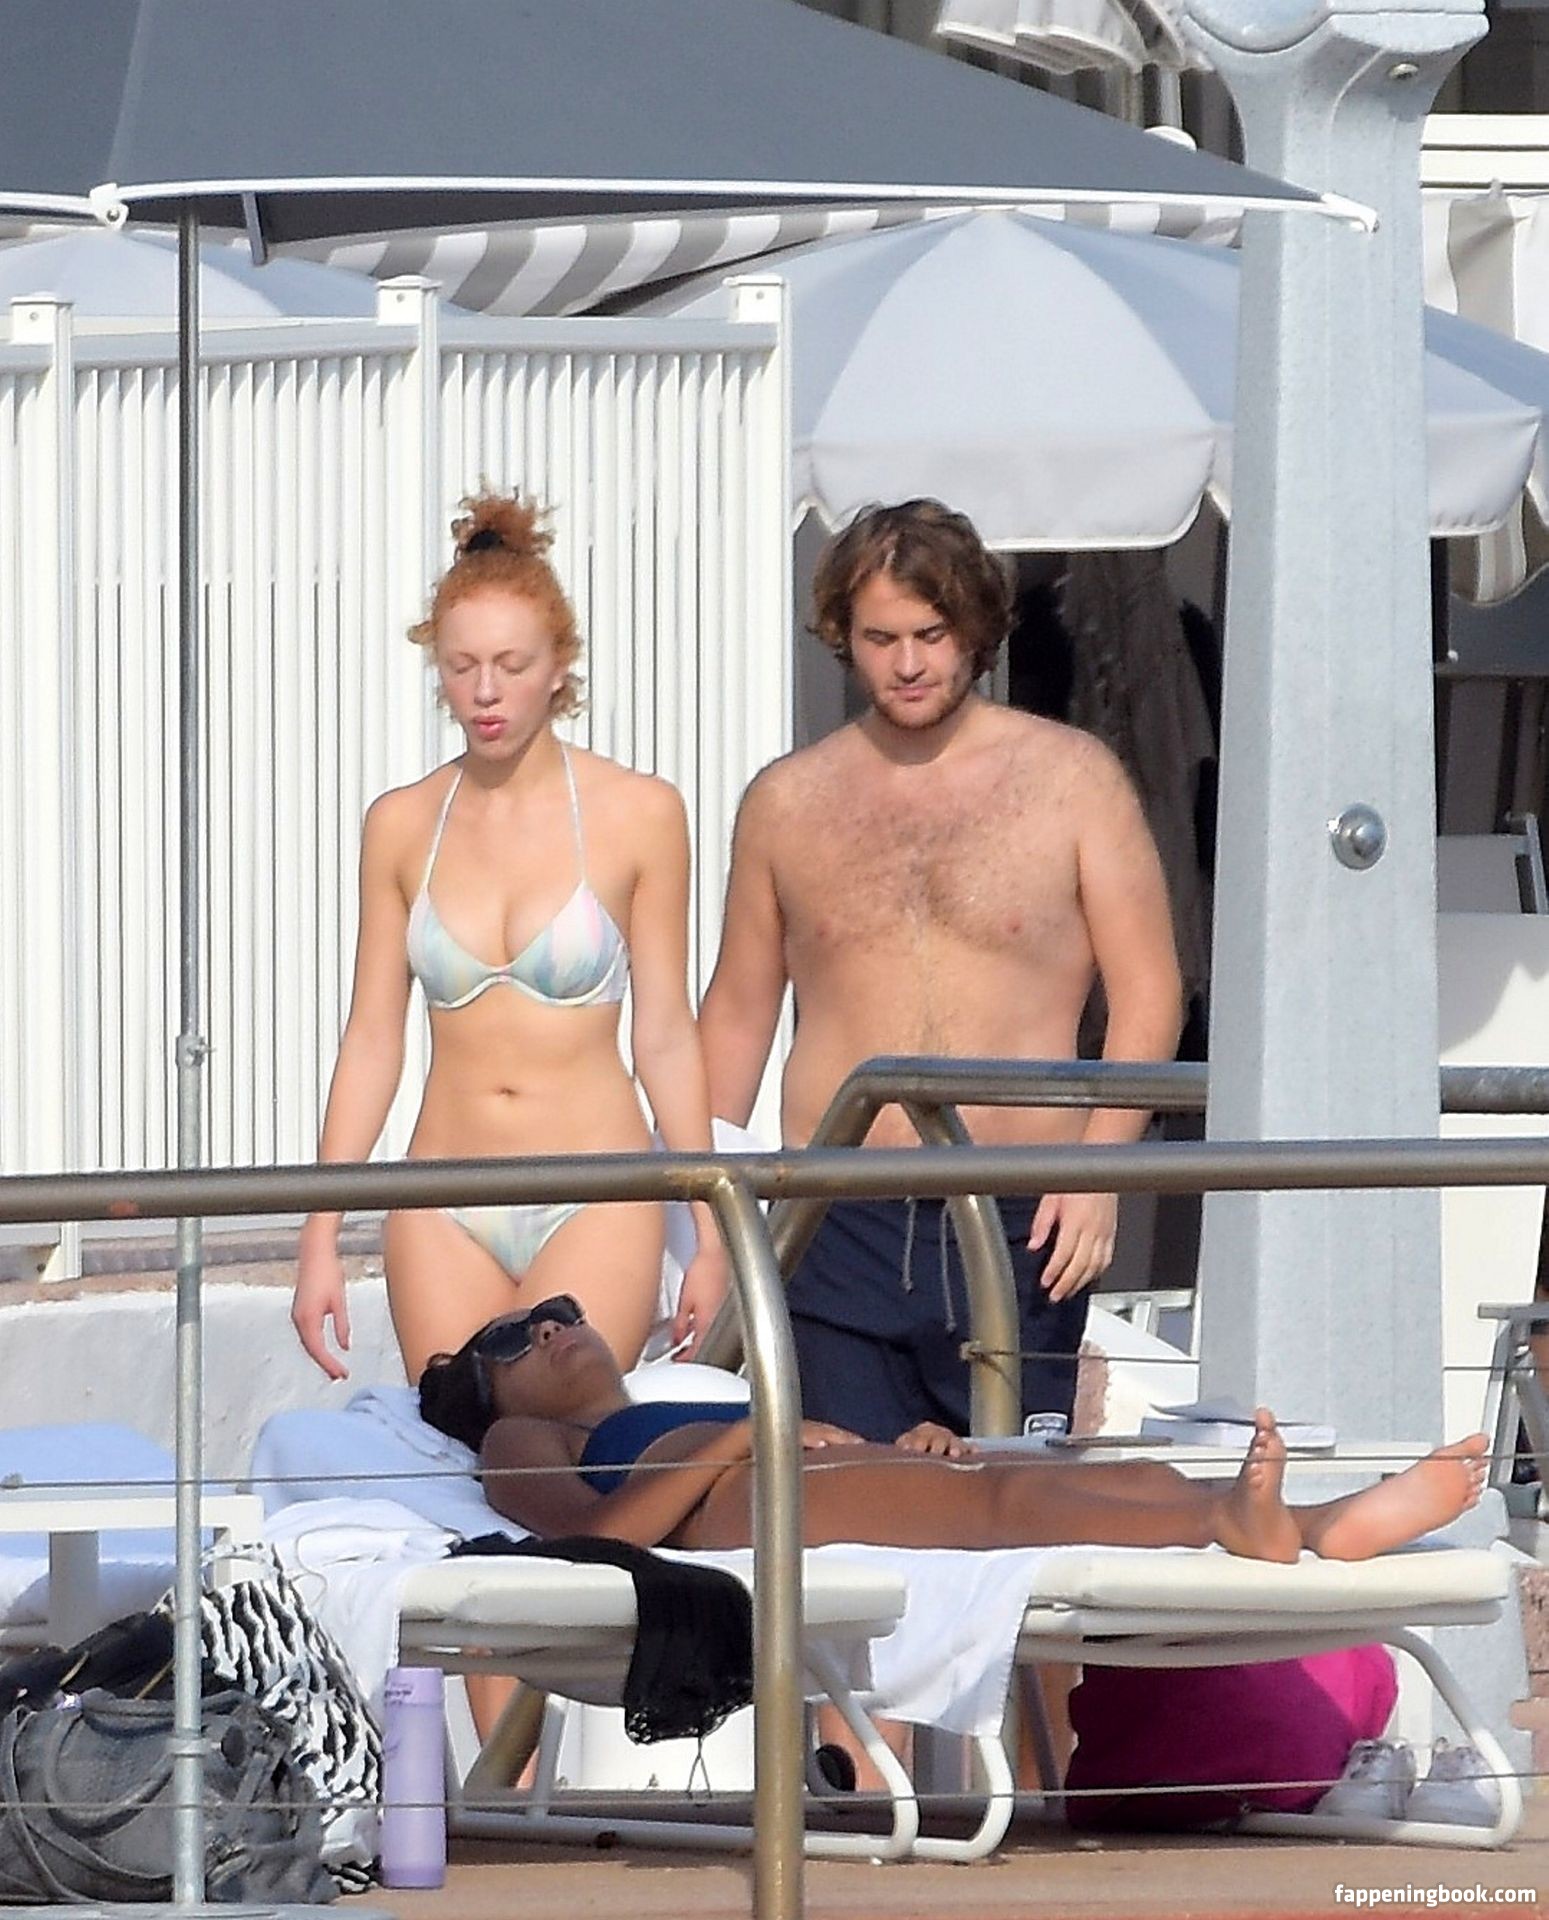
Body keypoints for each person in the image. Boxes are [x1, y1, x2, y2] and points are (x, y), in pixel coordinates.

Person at [697, 499, 1184, 1440]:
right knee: (841, 1499)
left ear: (975, 630)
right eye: (880, 638)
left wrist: (1100, 1173)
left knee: (1001, 1497)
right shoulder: (786, 801)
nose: (908, 664)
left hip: (1022, 1210)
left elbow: (1148, 991)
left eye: (930, 634)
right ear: (842, 636)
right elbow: (737, 1015)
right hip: (831, 1211)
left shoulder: (1072, 777)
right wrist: (705, 1222)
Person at [292, 494, 727, 1384]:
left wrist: (711, 1232)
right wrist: (320, 1231)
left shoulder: (640, 813)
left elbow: (665, 1034)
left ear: (559, 666)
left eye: (510, 664)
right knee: (457, 1432)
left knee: (572, 1435)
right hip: (442, 1194)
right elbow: (371, 1039)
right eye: (461, 667)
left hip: (596, 1189)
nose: (484, 692)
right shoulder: (401, 824)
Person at [418, 1297, 1490, 1563]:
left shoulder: (680, 1395)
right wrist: (742, 1441)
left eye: (557, 1310)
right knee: (1006, 1505)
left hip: (812, 1480)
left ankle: (1313, 1520)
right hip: (750, 1508)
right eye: (514, 1337)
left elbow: (810, 1443)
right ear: (493, 1399)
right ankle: (1231, 1522)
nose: (550, 1325)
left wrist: (898, 1445)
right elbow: (593, 1544)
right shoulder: (523, 1442)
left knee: (1086, 1474)